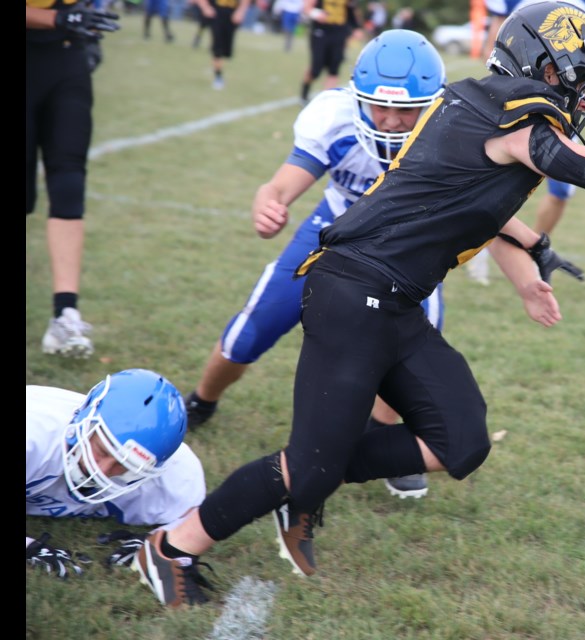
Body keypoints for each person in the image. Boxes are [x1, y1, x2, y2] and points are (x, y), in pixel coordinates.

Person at [132, 1, 585, 607]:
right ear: (542, 66)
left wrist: (533, 251)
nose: (583, 98)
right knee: (309, 462)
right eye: (579, 80)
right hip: (349, 293)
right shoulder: (511, 119)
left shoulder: (477, 107)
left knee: (462, 441)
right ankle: (172, 546)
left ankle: (304, 489)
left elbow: (459, 203)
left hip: (394, 301)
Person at [184, 29, 447, 500]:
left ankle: (382, 435)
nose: (388, 122)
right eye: (378, 106)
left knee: (413, 346)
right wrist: (268, 203)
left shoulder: (452, 132)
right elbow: (280, 185)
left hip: (407, 244)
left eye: (404, 110)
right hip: (335, 227)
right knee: (257, 323)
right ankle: (203, 401)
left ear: (430, 105)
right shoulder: (335, 117)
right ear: (357, 97)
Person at [27, 369, 207, 595]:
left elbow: (191, 519)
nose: (101, 470)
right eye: (102, 450)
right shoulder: (33, 433)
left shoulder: (178, 476)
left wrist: (159, 540)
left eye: (125, 465)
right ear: (84, 421)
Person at [467, 0, 585, 285]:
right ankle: (479, 245)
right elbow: (499, 29)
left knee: (562, 189)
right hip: (519, 88)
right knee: (491, 178)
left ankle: (532, 252)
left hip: (563, 91)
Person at [27, 1, 120, 359]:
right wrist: (57, 17)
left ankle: (65, 313)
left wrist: (87, 23)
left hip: (68, 58)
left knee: (69, 182)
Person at [299, 0, 361, 104]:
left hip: (339, 33)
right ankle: (304, 92)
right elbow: (306, 7)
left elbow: (351, 9)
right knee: (315, 70)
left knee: (334, 69)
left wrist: (356, 27)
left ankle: (325, 102)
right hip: (320, 32)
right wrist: (315, 14)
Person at [194, 0, 252, 90]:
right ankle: (218, 76)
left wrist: (241, 11)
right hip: (216, 13)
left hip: (231, 13)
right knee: (217, 48)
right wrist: (205, 7)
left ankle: (218, 69)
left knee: (226, 51)